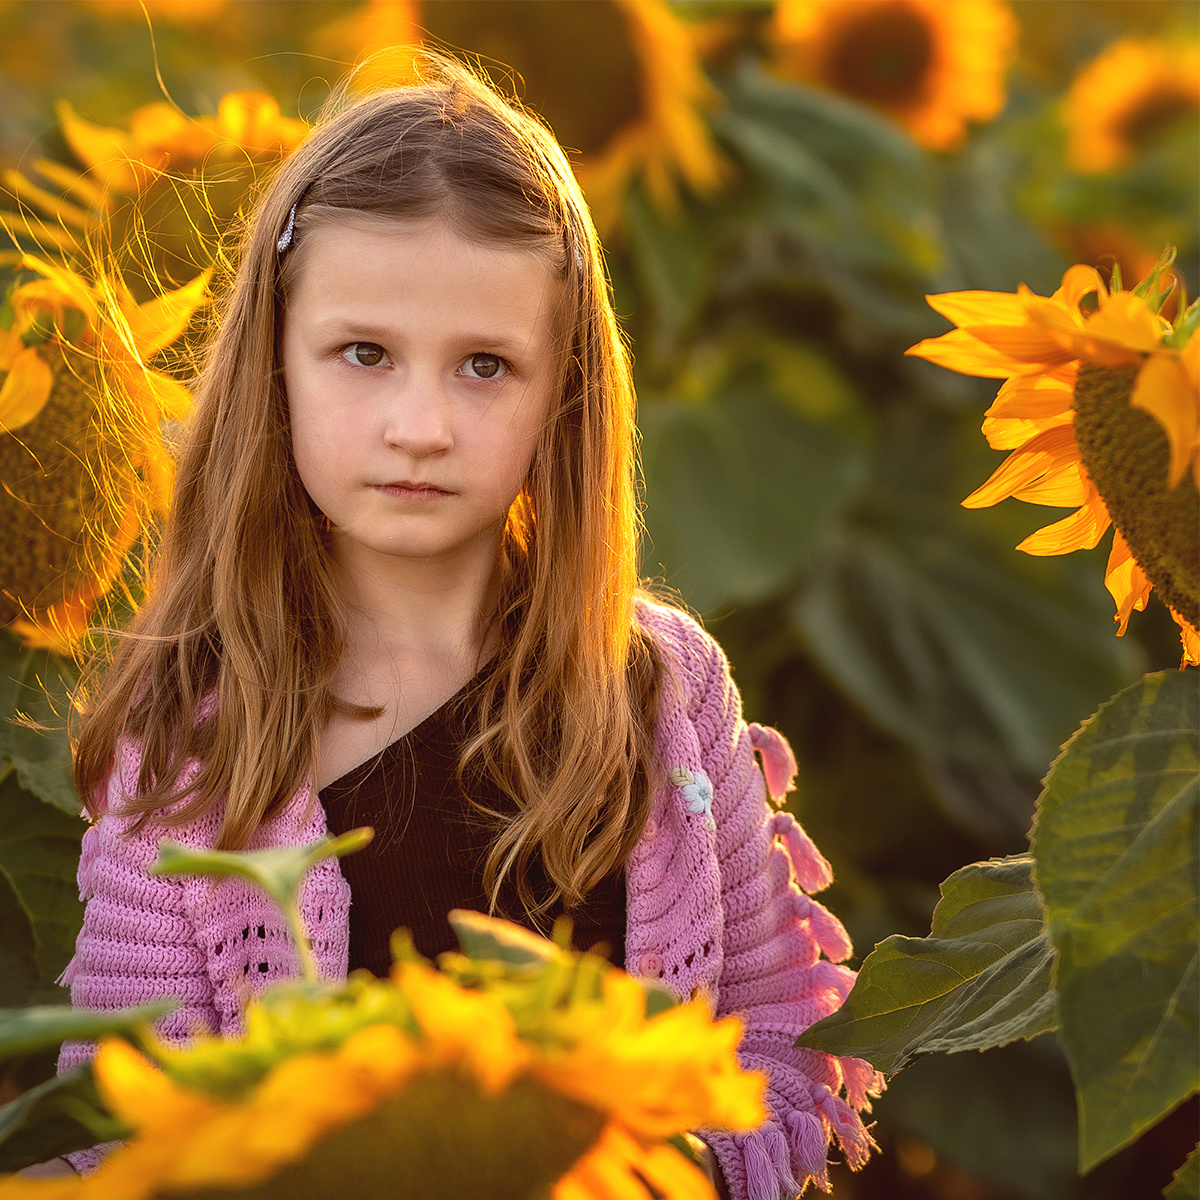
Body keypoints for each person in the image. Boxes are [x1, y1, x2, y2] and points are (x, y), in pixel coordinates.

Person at [27, 57, 882, 1198]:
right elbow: (126, 1122)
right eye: (364, 354)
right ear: (277, 364)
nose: (420, 426)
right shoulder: (191, 734)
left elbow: (772, 1052)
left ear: (562, 391)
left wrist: (653, 1166)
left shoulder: (663, 695)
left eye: (485, 366)